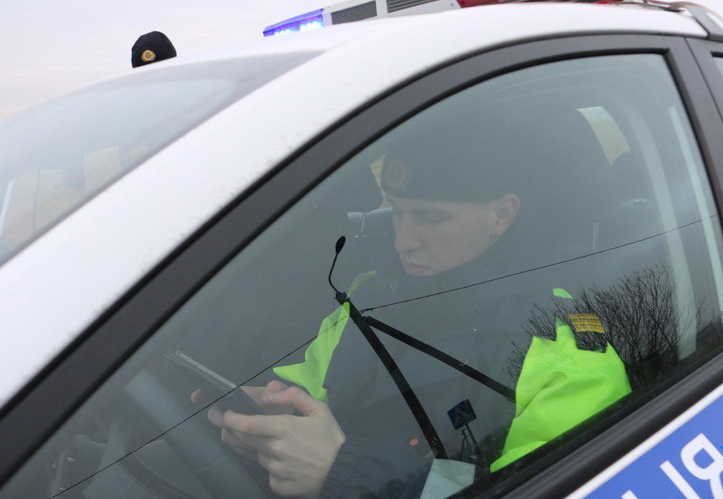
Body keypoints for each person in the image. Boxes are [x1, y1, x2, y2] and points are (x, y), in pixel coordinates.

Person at [205, 115, 632, 498]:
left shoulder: (566, 356)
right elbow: (313, 386)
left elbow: (534, 485)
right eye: (397, 213)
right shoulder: (368, 296)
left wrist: (348, 474)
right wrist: (276, 413)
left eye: (431, 218)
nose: (403, 241)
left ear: (502, 215)